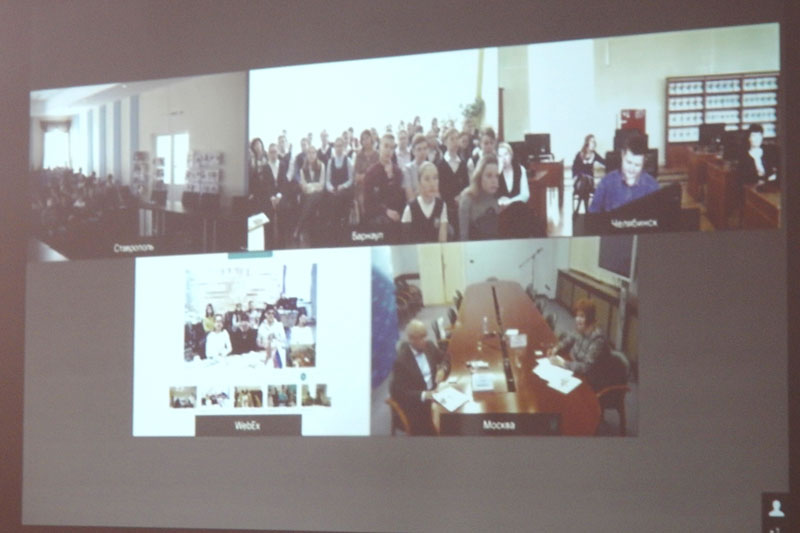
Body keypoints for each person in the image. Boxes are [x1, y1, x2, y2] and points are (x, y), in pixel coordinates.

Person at [547, 299, 625, 391]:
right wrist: (556, 348)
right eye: (577, 316)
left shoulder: (597, 339)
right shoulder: (580, 329)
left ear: (590, 319)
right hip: (576, 370)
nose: (577, 319)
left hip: (592, 380)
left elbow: (586, 367)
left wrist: (563, 363)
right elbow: (567, 340)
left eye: (582, 316)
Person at [389, 319, 450, 435]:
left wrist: (442, 369)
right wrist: (425, 395)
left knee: (453, 416)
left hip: (435, 393)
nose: (425, 340)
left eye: (425, 336)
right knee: (440, 428)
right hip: (417, 405)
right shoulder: (401, 362)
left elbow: (446, 358)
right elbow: (400, 393)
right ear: (411, 339)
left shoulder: (429, 346)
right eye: (421, 337)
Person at [589, 135, 658, 213]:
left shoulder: (652, 186)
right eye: (629, 162)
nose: (631, 169)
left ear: (644, 162)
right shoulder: (606, 183)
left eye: (637, 165)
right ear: (622, 155)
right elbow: (593, 215)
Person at [363, 133, 406, 227]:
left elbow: (400, 200)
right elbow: (368, 204)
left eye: (392, 148)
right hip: (376, 217)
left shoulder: (398, 172)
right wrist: (386, 211)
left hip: (395, 216)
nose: (388, 150)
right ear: (379, 147)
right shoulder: (371, 172)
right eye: (386, 146)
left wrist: (391, 178)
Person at [401, 161, 448, 243]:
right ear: (419, 183)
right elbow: (406, 242)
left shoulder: (442, 206)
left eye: (435, 178)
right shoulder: (410, 208)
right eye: (427, 179)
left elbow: (443, 242)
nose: (432, 184)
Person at [458, 155, 502, 241]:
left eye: (496, 176)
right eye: (489, 176)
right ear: (479, 177)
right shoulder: (467, 198)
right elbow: (463, 237)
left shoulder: (495, 198)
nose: (494, 181)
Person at [437, 127, 470, 234]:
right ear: (445, 142)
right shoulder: (440, 165)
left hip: (461, 207)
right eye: (452, 139)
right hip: (446, 209)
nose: (455, 142)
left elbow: (467, 186)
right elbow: (439, 188)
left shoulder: (463, 164)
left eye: (457, 139)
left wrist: (461, 196)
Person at [295, 144, 326, 245]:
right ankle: (306, 231)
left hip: (319, 194)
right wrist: (313, 186)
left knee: (314, 197)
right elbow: (304, 187)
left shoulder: (321, 166)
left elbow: (321, 185)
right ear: (306, 155)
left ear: (316, 154)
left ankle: (299, 227)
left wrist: (311, 186)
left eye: (313, 153)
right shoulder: (302, 169)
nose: (311, 155)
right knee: (310, 198)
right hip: (308, 195)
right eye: (309, 153)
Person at [324, 136, 354, 230]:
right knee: (333, 197)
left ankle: (341, 222)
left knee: (340, 197)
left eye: (340, 146)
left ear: (344, 147)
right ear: (334, 147)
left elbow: (351, 179)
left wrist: (343, 186)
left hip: (345, 189)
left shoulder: (348, 161)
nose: (338, 148)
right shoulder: (330, 161)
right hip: (333, 189)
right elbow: (327, 180)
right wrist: (331, 188)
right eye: (336, 146)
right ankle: (335, 223)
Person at [572, 134, 606, 214]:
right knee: (584, 179)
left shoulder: (594, 155)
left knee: (586, 179)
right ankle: (587, 210)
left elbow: (604, 162)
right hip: (579, 182)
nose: (594, 143)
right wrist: (575, 178)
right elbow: (574, 169)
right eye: (592, 142)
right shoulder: (579, 155)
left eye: (594, 142)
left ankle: (578, 208)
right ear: (587, 143)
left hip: (589, 182)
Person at [402, 133, 429, 201]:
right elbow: (410, 197)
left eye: (425, 148)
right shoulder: (407, 169)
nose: (423, 152)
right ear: (413, 151)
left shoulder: (431, 167)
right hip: (415, 205)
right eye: (419, 149)